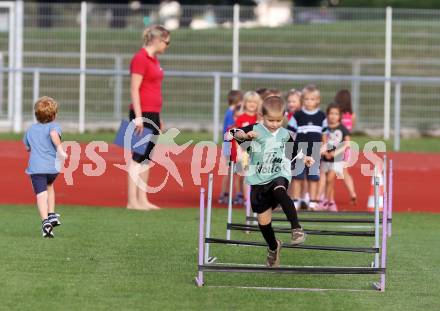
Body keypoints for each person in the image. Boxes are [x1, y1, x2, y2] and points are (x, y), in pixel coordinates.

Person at [230, 96, 314, 268]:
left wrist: (304, 158)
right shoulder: (255, 128)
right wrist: (245, 136)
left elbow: (294, 151)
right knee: (263, 222)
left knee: (280, 190)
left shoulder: (284, 134)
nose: (275, 124)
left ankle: (296, 229)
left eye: (278, 120)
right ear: (261, 115)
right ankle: (273, 247)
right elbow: (232, 133)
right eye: (271, 120)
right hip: (259, 180)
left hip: (279, 174)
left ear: (284, 117)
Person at [127, 25, 170, 211]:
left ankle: (142, 199)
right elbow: (134, 89)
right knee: (137, 157)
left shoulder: (154, 59)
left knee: (147, 158)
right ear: (158, 40)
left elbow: (154, 89)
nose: (167, 45)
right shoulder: (140, 58)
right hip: (141, 113)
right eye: (167, 42)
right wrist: (138, 117)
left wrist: (158, 117)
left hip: (152, 112)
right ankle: (132, 202)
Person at [23, 96, 67, 238]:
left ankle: (45, 222)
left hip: (37, 168)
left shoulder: (30, 130)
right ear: (54, 115)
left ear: (36, 115)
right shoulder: (55, 126)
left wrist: (58, 147)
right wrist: (59, 147)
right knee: (49, 185)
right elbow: (54, 134)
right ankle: (52, 214)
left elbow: (27, 146)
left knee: (41, 194)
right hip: (53, 169)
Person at [287, 85, 327, 211]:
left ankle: (313, 202)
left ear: (318, 100)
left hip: (315, 151)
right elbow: (290, 134)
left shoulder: (321, 116)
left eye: (312, 99)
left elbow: (324, 134)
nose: (309, 102)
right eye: (307, 99)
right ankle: (295, 201)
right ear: (302, 100)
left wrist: (324, 147)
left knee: (313, 178)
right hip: (300, 152)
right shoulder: (298, 116)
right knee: (297, 178)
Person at [319, 103, 350, 212]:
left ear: (340, 116)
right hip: (325, 158)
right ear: (327, 114)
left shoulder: (342, 128)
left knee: (330, 179)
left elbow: (347, 143)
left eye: (336, 114)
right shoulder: (324, 128)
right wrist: (324, 151)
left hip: (337, 159)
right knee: (323, 180)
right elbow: (322, 141)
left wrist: (336, 153)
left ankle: (326, 201)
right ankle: (321, 200)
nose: (333, 116)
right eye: (331, 113)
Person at [233, 91, 262, 205]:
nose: (252, 104)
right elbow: (236, 135)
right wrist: (238, 152)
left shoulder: (259, 117)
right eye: (249, 102)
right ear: (245, 103)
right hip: (244, 150)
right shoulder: (241, 118)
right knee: (244, 174)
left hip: (256, 150)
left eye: (254, 102)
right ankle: (246, 198)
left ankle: (256, 196)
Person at [218, 90, 243, 204]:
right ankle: (228, 194)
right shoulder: (231, 113)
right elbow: (230, 130)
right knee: (233, 172)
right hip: (230, 145)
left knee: (231, 172)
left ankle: (225, 194)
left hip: (229, 145)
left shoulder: (230, 111)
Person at [334, 89, 357, 204]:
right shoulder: (352, 115)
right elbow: (351, 129)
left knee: (329, 172)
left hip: (335, 145)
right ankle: (352, 192)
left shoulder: (335, 114)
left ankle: (326, 197)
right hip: (346, 146)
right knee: (345, 172)